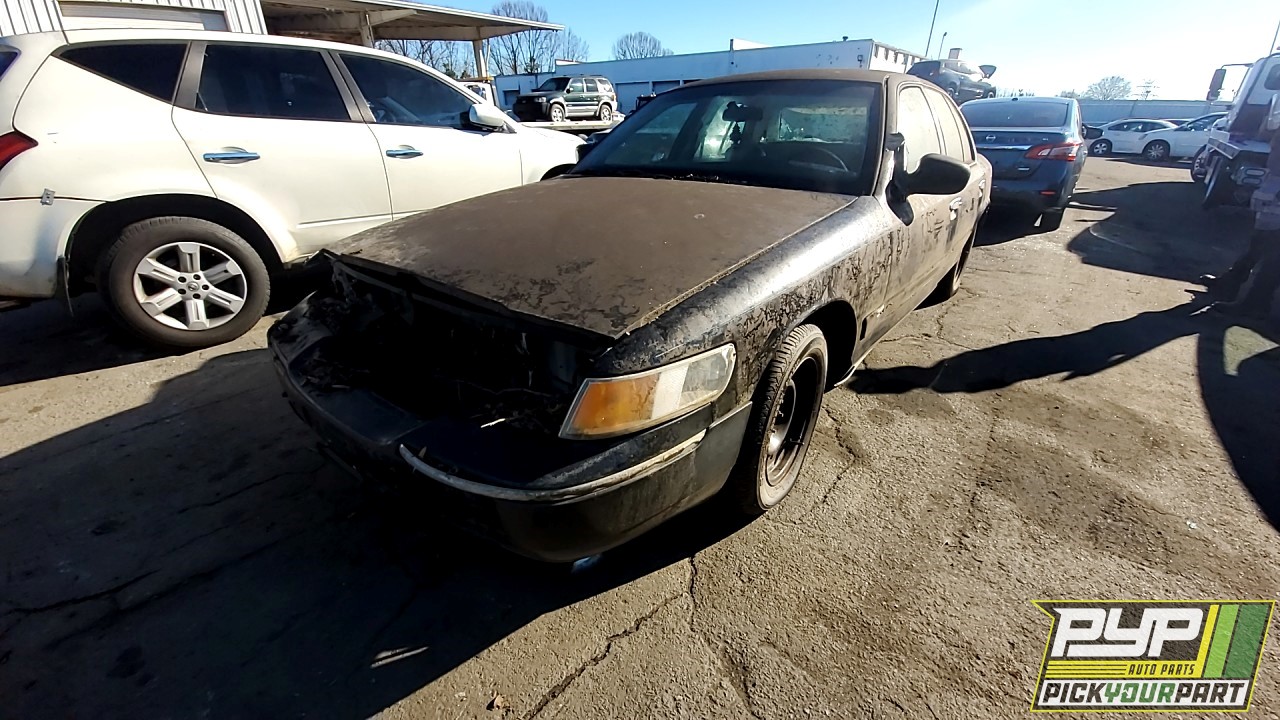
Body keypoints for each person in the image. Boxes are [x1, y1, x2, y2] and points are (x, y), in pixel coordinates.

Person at [1203, 112, 1280, 317]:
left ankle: (1256, 303)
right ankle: (1231, 284)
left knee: (1273, 253)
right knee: (1261, 242)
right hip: (1275, 185)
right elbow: (1267, 131)